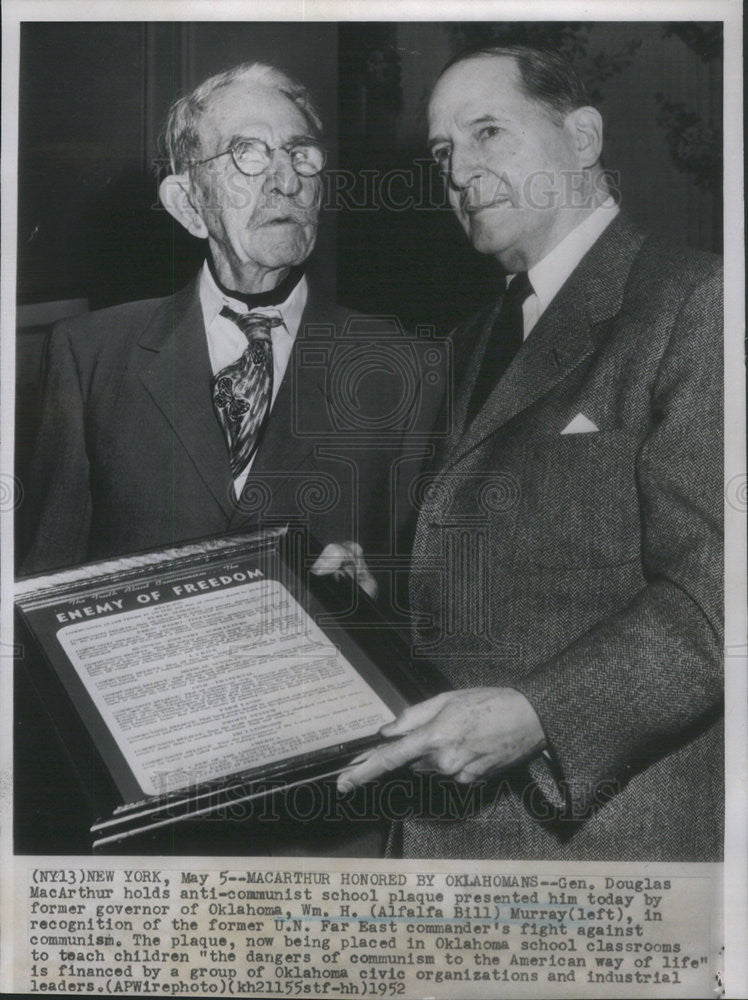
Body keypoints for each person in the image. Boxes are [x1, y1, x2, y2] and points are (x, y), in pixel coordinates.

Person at [332, 43, 723, 861]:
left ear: (582, 139)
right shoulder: (478, 337)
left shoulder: (698, 301)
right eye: (443, 152)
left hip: (604, 844)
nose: (460, 172)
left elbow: (721, 598)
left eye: (487, 133)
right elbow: (505, 582)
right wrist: (376, 609)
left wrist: (539, 714)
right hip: (455, 836)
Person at [19, 61, 398, 589]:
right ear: (189, 204)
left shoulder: (402, 363)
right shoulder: (89, 355)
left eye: (300, 153)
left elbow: (427, 586)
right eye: (247, 155)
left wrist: (377, 592)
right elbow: (43, 587)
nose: (286, 181)